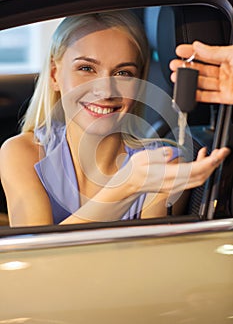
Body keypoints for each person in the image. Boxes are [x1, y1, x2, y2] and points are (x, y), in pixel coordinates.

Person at [0, 12, 230, 227]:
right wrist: (129, 186)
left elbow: (146, 261)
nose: (105, 90)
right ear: (54, 75)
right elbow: (38, 260)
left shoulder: (162, 164)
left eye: (123, 73)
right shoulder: (21, 153)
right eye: (86, 68)